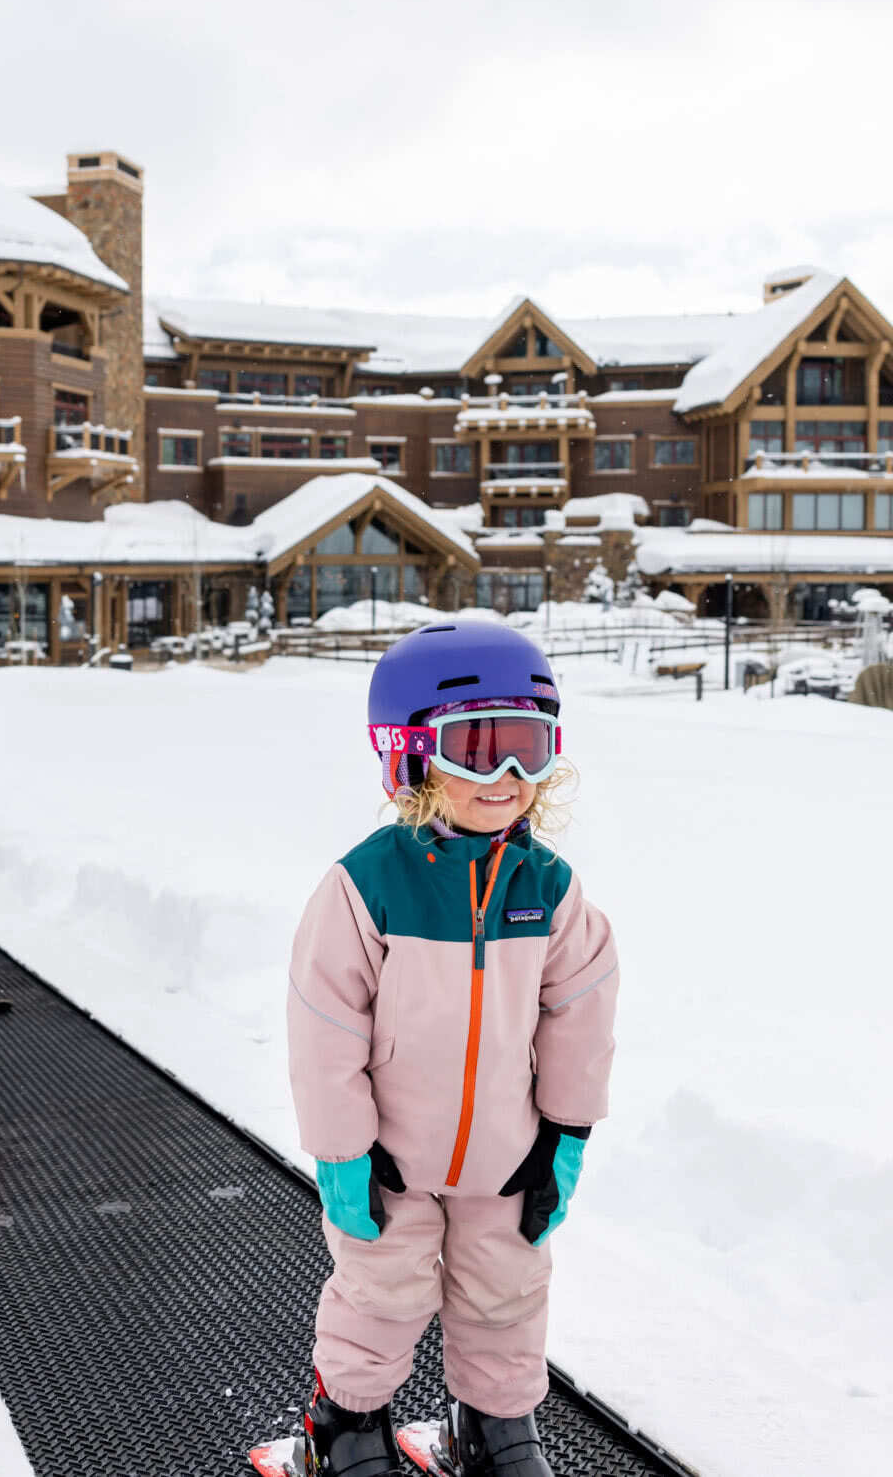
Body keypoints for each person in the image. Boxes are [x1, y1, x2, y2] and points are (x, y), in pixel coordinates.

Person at [282, 621, 618, 1477]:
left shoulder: (550, 890)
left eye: (528, 749)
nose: (507, 778)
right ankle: (348, 1427)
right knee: (380, 1294)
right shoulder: (367, 884)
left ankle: (496, 1429)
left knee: (508, 1295)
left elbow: (581, 1009)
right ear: (412, 755)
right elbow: (325, 1023)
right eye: (477, 749)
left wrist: (566, 1134)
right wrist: (345, 1151)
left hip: (507, 1161)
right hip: (391, 1160)